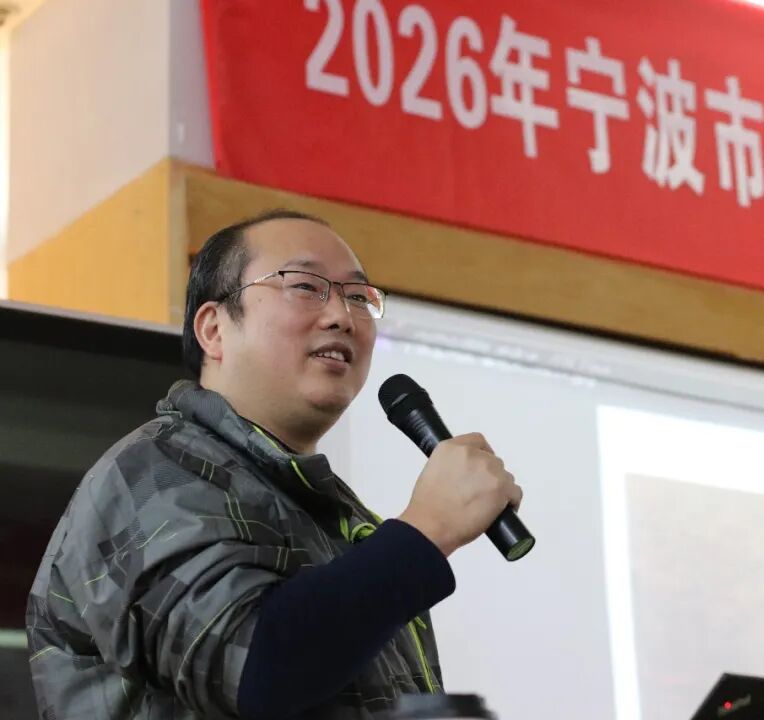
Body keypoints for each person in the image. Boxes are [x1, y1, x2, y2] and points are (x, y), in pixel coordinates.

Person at [26, 209, 523, 719]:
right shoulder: (152, 471)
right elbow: (255, 667)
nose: (342, 316)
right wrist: (429, 528)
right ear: (214, 329)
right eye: (305, 286)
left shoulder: (336, 513)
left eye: (358, 296)